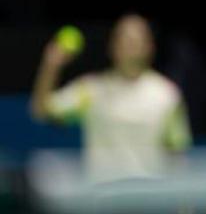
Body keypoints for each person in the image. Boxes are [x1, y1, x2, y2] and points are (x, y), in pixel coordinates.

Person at [30, 14, 192, 183]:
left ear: (149, 47)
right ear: (112, 47)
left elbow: (178, 156)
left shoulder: (167, 94)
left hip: (150, 201)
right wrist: (51, 65)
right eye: (123, 39)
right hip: (103, 200)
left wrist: (183, 207)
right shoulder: (90, 90)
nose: (129, 45)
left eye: (136, 40)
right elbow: (41, 110)